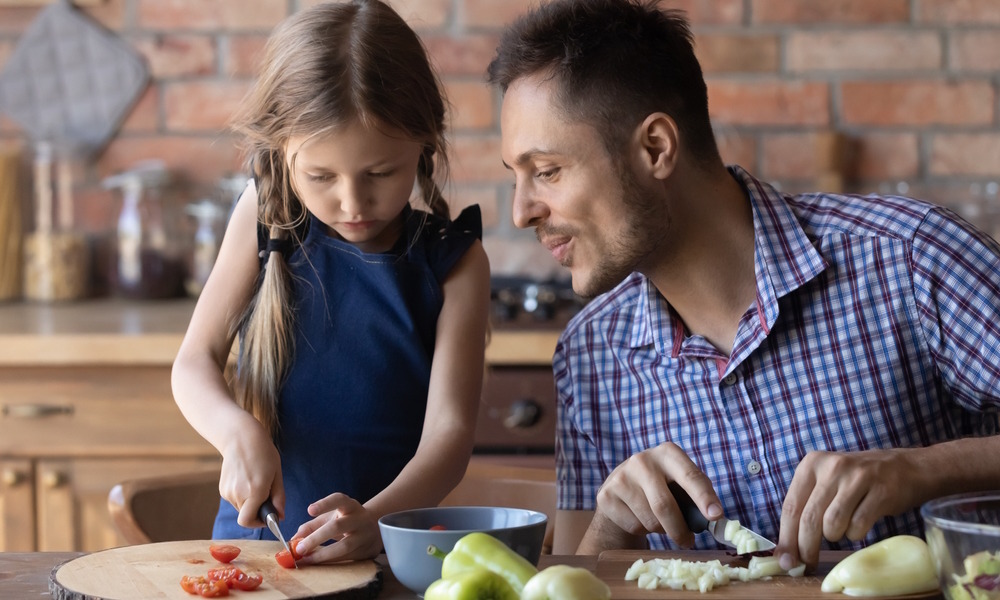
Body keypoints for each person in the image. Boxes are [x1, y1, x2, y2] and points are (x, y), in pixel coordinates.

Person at [487, 0, 1000, 571]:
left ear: (655, 147)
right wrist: (611, 525)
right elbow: (569, 582)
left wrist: (921, 469)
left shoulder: (910, 256)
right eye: (518, 176)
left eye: (548, 171)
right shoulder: (588, 356)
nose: (522, 212)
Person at [172, 0, 490, 563]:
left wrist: (377, 521)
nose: (351, 202)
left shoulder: (457, 264)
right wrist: (233, 431)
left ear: (424, 142)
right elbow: (193, 362)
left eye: (380, 173)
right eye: (320, 176)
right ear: (281, 155)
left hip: (387, 554)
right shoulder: (263, 217)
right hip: (254, 552)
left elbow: (449, 438)